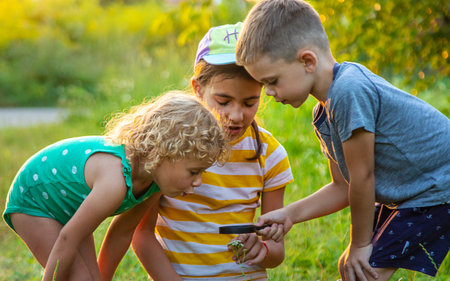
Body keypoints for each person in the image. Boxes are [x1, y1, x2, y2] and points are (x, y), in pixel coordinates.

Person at [234, 1, 450, 281]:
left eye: (273, 81)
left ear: (307, 61)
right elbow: (343, 187)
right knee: (348, 269)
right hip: (415, 189)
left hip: (437, 186)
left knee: (364, 271)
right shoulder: (323, 111)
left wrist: (360, 244)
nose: (270, 93)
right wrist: (289, 215)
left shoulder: (349, 91)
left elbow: (362, 177)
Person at [3, 91, 228, 281]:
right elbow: (67, 239)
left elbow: (122, 233)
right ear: (163, 154)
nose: (198, 182)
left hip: (66, 208)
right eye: (194, 171)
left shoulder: (152, 184)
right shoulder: (115, 182)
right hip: (34, 198)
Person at [130, 22, 294, 281]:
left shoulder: (270, 155)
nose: (237, 115)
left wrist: (262, 247)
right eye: (223, 101)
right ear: (197, 89)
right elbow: (141, 234)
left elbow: (276, 251)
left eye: (250, 102)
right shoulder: (168, 147)